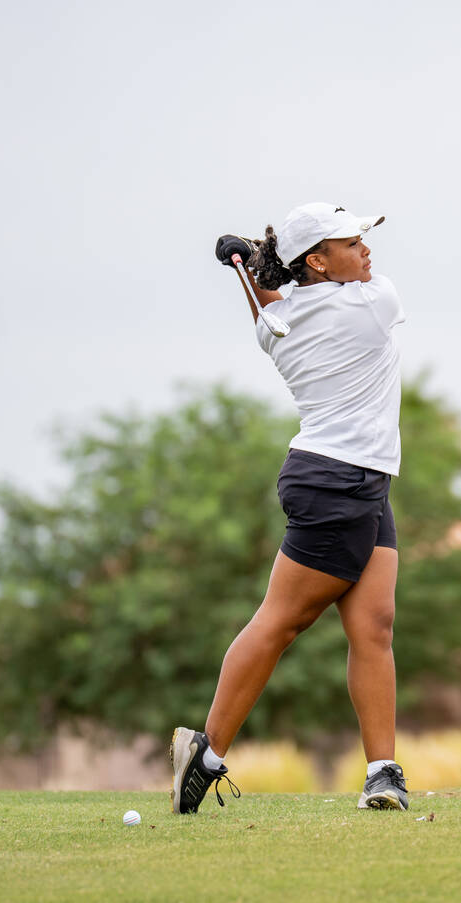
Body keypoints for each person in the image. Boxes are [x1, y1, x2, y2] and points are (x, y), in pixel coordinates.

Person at [170, 201, 409, 814]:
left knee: (373, 625)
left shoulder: (275, 322)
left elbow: (275, 304)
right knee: (282, 621)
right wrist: (256, 262)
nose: (366, 252)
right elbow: (287, 296)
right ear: (317, 261)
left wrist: (254, 268)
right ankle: (208, 751)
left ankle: (383, 771)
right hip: (338, 482)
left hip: (355, 479)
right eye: (350, 244)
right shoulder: (373, 303)